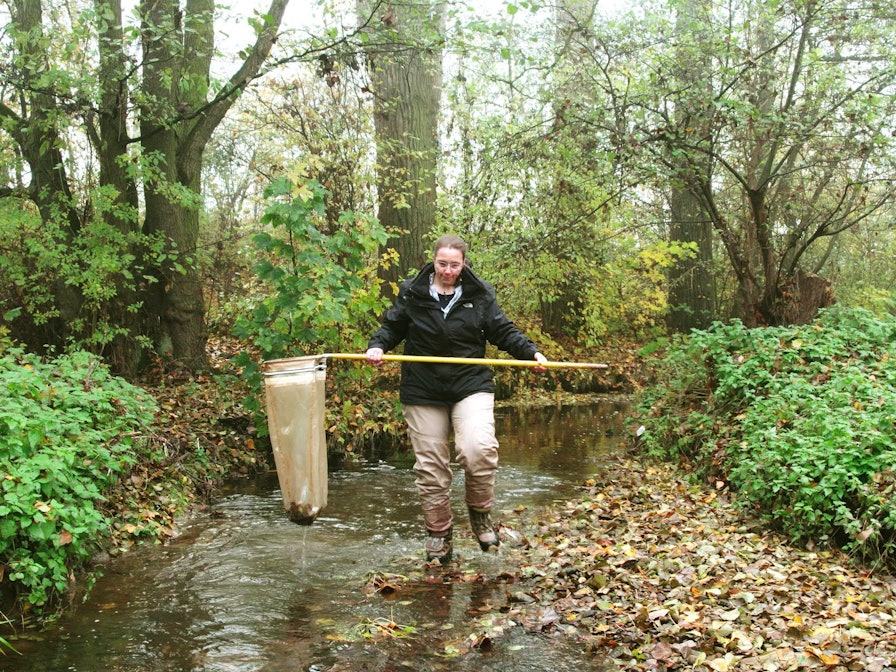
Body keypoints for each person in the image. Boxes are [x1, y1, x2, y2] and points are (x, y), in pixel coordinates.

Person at [366, 234, 548, 564]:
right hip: (423, 388)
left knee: (478, 448)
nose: (448, 271)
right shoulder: (413, 291)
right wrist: (377, 346)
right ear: (432, 261)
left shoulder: (479, 294)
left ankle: (479, 514)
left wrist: (531, 353)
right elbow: (392, 326)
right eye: (442, 264)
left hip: (469, 383)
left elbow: (502, 330)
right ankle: (439, 533)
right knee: (432, 467)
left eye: (454, 264)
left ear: (464, 264)